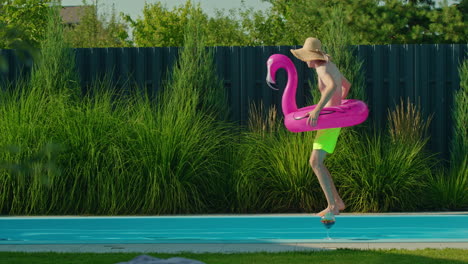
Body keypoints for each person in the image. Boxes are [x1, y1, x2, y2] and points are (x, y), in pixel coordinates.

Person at [290, 37, 351, 217]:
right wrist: (341, 103)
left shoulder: (322, 68)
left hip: (329, 120)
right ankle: (337, 202)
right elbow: (346, 85)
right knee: (318, 162)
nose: (305, 60)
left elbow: (332, 86)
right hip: (332, 118)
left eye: (306, 57)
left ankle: (332, 206)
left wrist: (317, 110)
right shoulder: (330, 66)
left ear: (312, 56)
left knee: (315, 162)